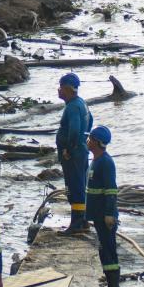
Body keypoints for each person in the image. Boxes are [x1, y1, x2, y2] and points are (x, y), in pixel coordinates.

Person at [86, 125, 121, 287]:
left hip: (104, 216)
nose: (88, 141)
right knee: (103, 250)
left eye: (91, 139)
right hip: (98, 214)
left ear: (98, 142)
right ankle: (110, 284)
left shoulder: (106, 162)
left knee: (108, 250)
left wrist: (109, 213)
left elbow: (111, 190)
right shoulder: (96, 160)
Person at [55, 73, 92, 234]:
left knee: (74, 187)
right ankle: (83, 220)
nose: (58, 90)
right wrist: (85, 138)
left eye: (60, 87)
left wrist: (68, 149)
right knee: (81, 185)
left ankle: (76, 224)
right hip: (81, 151)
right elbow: (90, 120)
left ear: (67, 89)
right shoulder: (81, 103)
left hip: (73, 155)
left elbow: (75, 129)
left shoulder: (72, 107)